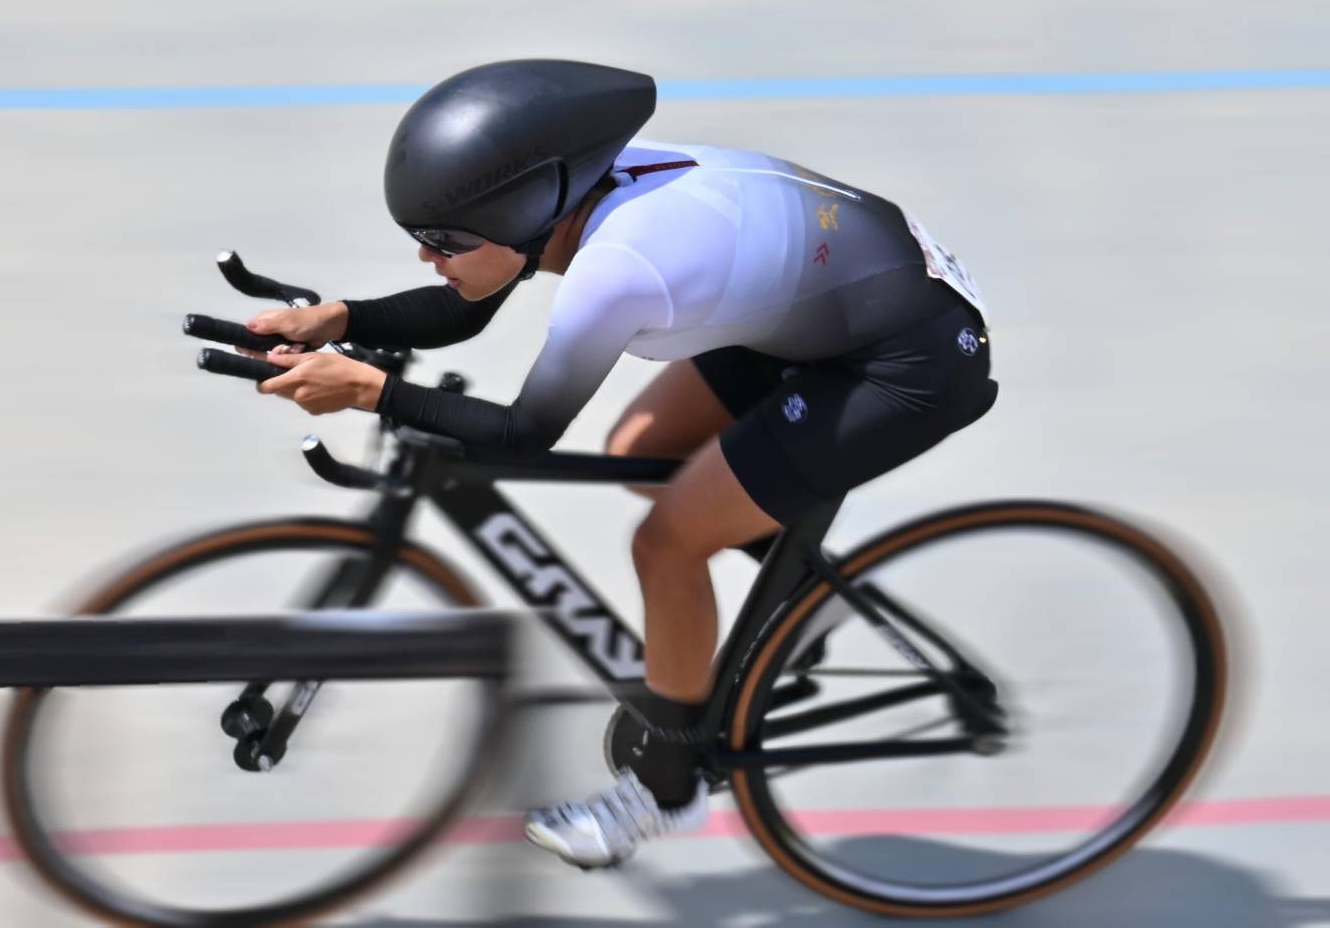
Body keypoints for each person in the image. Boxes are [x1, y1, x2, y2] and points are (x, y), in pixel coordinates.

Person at [240, 58, 998, 870]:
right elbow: (463, 309)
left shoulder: (620, 269)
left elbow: (523, 430)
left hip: (905, 362)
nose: (430, 258)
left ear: (526, 210)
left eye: (445, 241)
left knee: (667, 541)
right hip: (835, 310)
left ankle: (666, 785)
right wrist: (340, 317)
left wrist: (372, 392)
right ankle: (803, 603)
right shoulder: (576, 189)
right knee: (642, 453)